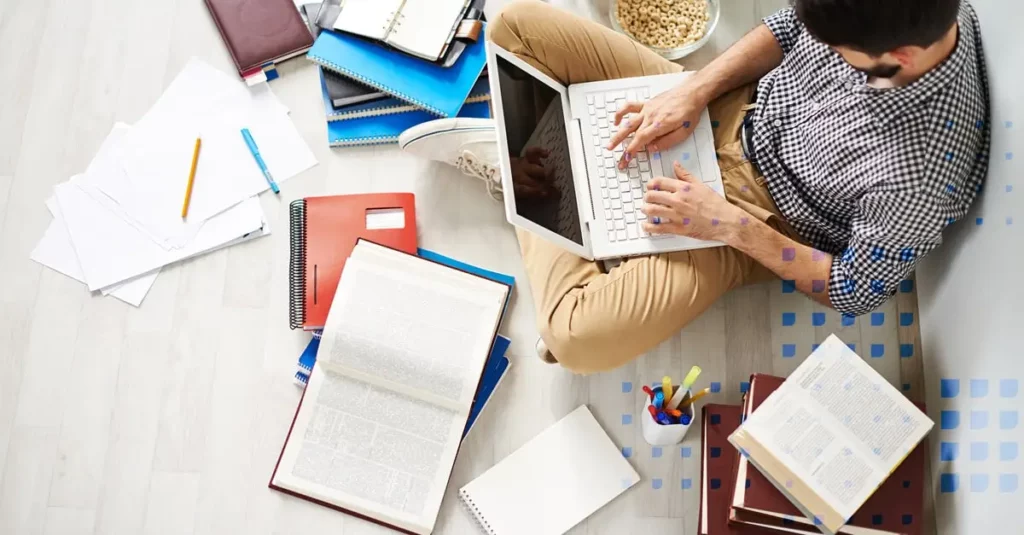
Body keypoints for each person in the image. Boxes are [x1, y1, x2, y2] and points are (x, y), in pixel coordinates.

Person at [399, 0, 990, 373]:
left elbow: (854, 288)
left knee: (575, 337)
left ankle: (521, 176)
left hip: (755, 218)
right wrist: (694, 91)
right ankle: (574, 188)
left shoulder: (919, 178)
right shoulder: (905, 14)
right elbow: (787, 28)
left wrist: (725, 224)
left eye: (839, 54)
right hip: (730, 108)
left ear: (899, 58)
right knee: (514, 25)